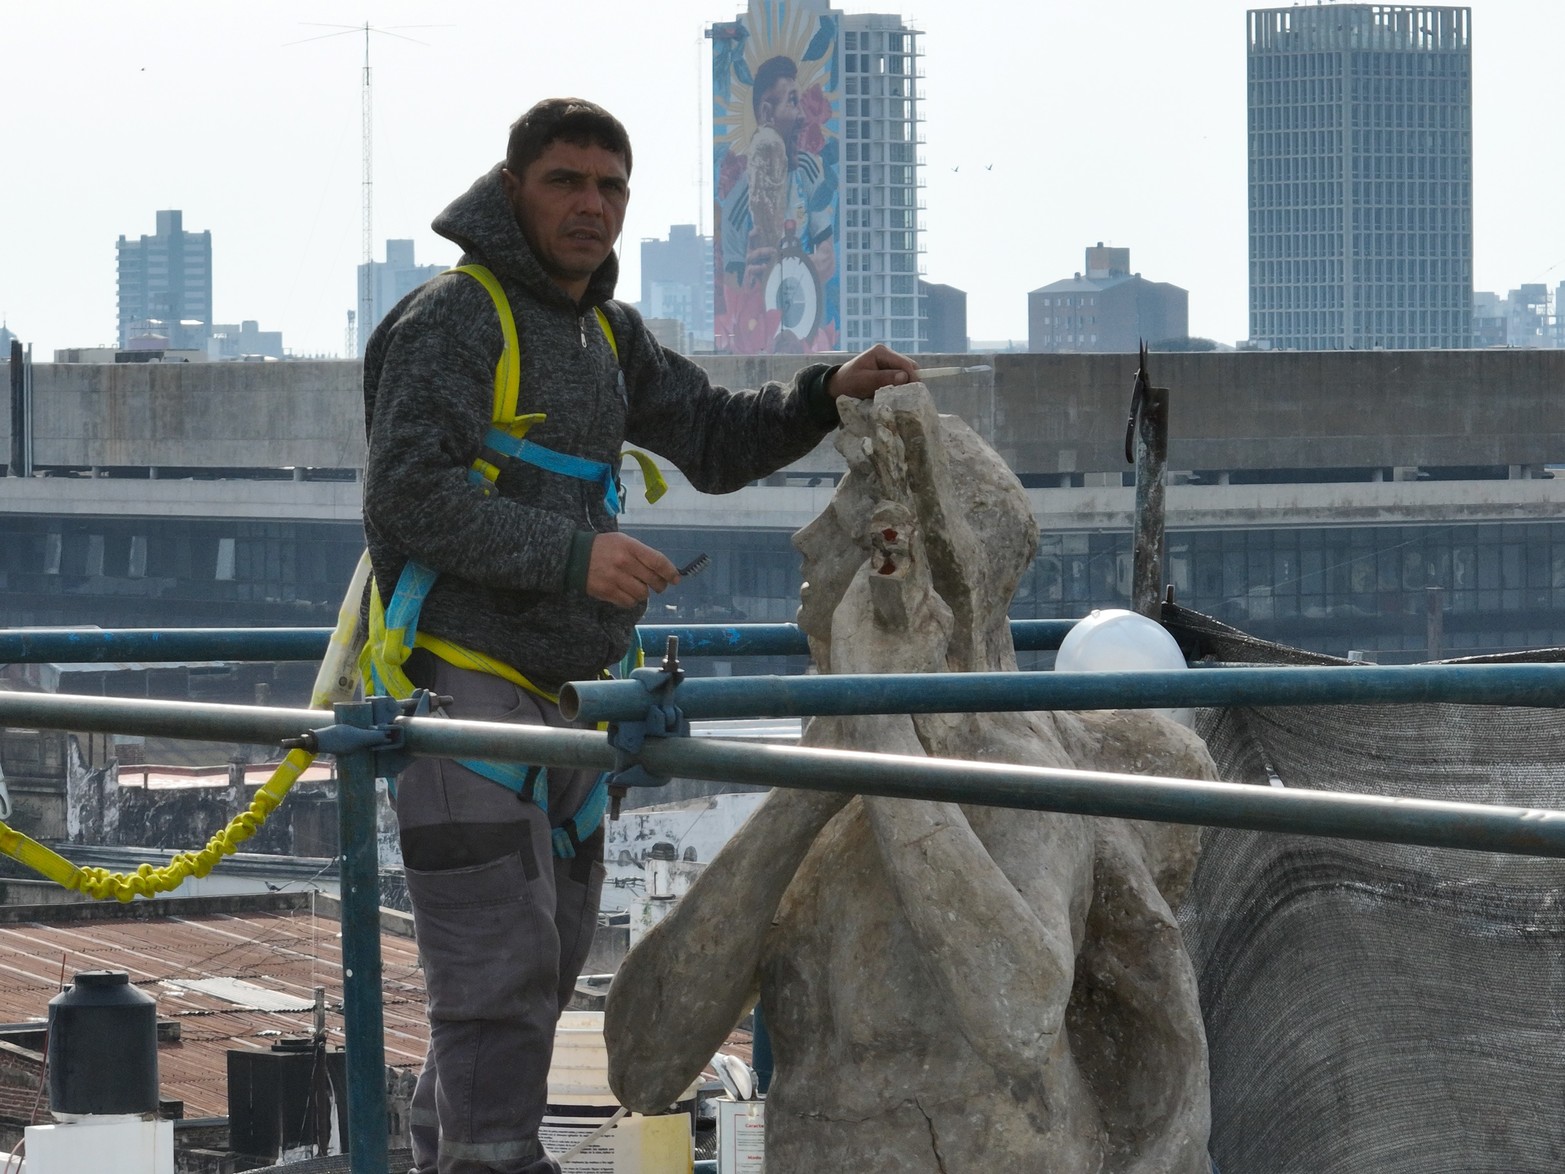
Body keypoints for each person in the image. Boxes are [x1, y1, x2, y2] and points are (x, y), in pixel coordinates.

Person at [360, 97, 917, 1174]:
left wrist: (820, 392)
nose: (591, 206)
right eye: (565, 181)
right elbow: (407, 498)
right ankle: (488, 1159)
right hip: (464, 691)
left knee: (545, 963)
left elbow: (708, 434)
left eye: (610, 186)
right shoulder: (456, 321)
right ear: (512, 185)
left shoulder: (601, 333)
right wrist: (577, 558)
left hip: (566, 700)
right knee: (497, 969)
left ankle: (456, 1148)